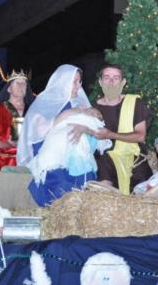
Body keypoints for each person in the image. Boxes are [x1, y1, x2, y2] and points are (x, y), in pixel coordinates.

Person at [17, 64, 107, 206]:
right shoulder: (45, 102)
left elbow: (98, 129)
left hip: (79, 159)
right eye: (74, 81)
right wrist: (67, 114)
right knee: (62, 194)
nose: (78, 85)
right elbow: (38, 132)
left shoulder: (81, 104)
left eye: (80, 81)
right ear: (63, 82)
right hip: (55, 162)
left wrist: (85, 128)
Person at [84, 64, 154, 195]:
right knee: (103, 165)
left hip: (133, 158)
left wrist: (110, 134)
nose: (111, 82)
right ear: (100, 82)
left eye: (116, 78)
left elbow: (140, 136)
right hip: (105, 161)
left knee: (145, 192)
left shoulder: (135, 103)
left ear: (123, 82)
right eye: (107, 77)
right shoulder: (93, 108)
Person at [0, 69, 33, 171]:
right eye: (17, 83)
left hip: (28, 163)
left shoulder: (33, 110)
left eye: (23, 83)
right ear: (9, 88)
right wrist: (8, 144)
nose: (21, 86)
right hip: (3, 162)